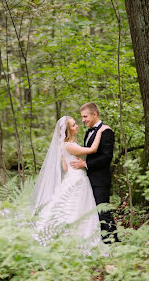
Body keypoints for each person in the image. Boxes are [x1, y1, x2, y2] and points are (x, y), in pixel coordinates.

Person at [31, 115, 110, 244]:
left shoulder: (63, 145)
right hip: (77, 178)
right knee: (76, 207)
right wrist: (100, 131)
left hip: (72, 176)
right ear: (67, 131)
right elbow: (92, 149)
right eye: (73, 125)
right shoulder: (69, 146)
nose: (77, 126)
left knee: (72, 205)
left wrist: (74, 161)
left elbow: (65, 167)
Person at [70, 103, 118, 243]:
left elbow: (106, 157)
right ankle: (100, 240)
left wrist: (85, 164)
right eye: (82, 117)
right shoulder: (88, 132)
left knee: (103, 211)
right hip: (87, 178)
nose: (83, 120)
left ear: (94, 114)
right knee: (93, 212)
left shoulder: (106, 131)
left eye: (85, 116)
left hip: (100, 179)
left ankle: (113, 242)